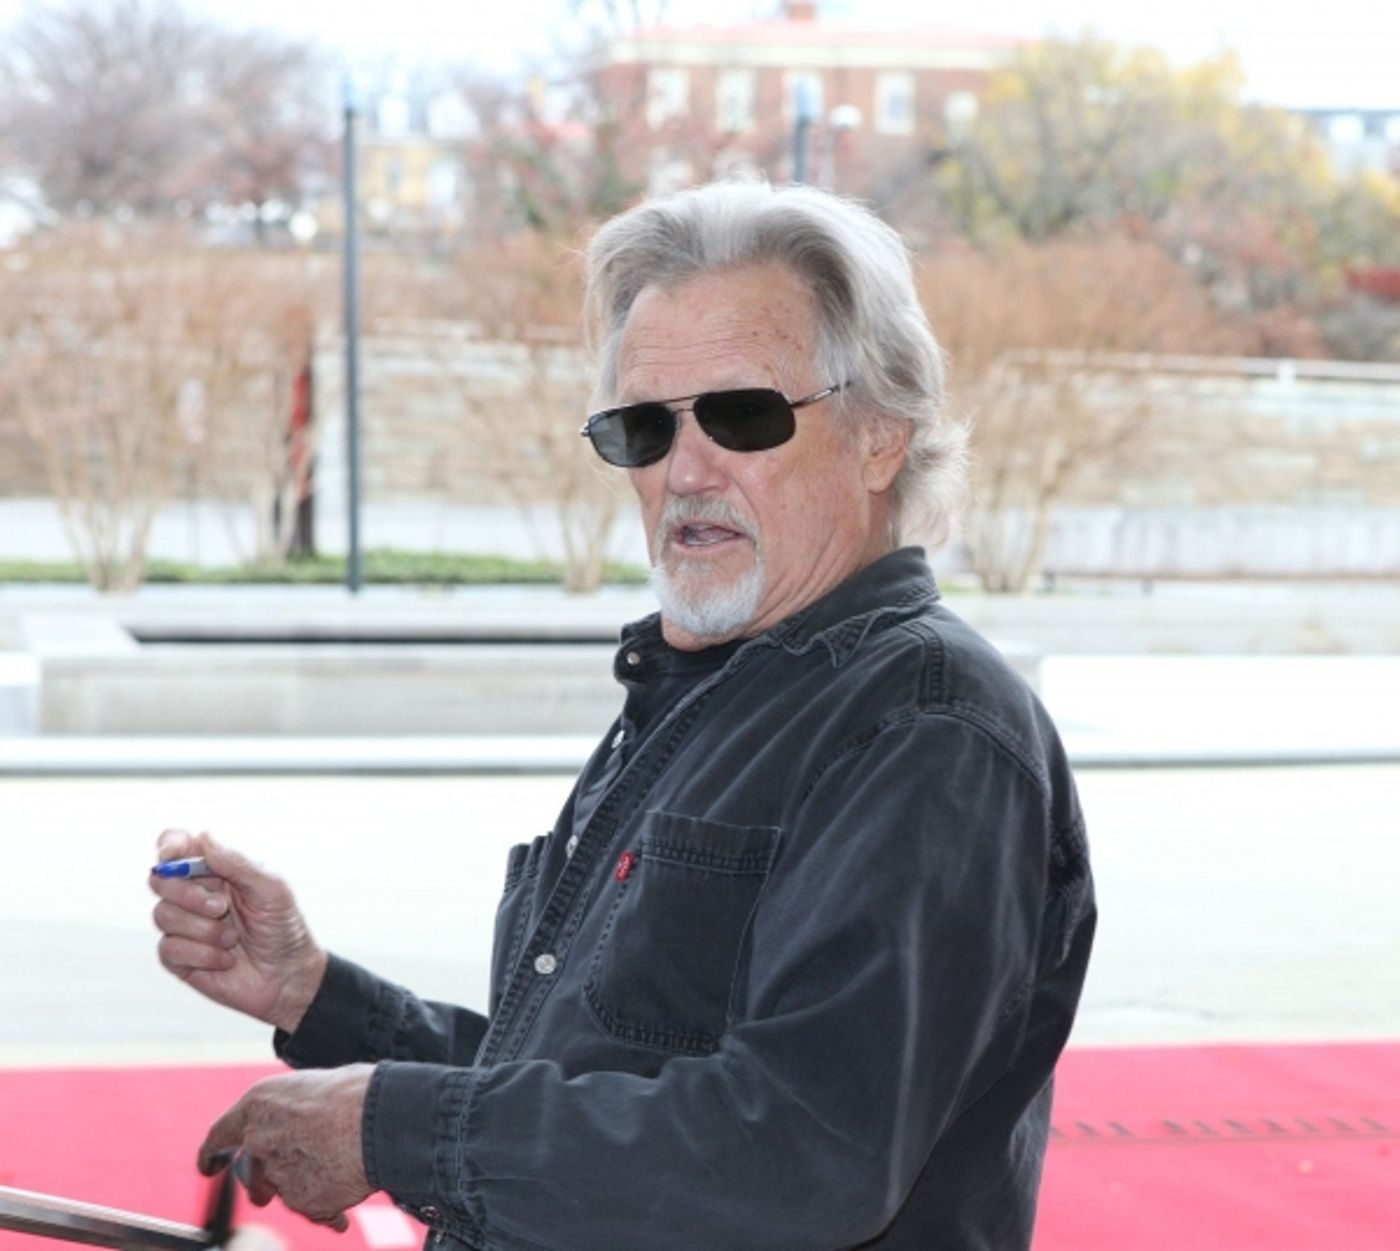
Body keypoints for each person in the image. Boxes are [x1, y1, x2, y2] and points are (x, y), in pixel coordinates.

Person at [151, 180, 1095, 1251]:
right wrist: (316, 996)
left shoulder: (926, 732)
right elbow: (588, 1090)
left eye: (744, 415)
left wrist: (388, 1129)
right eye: (643, 428)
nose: (684, 470)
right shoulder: (704, 690)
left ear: (879, 437)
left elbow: (795, 1155)